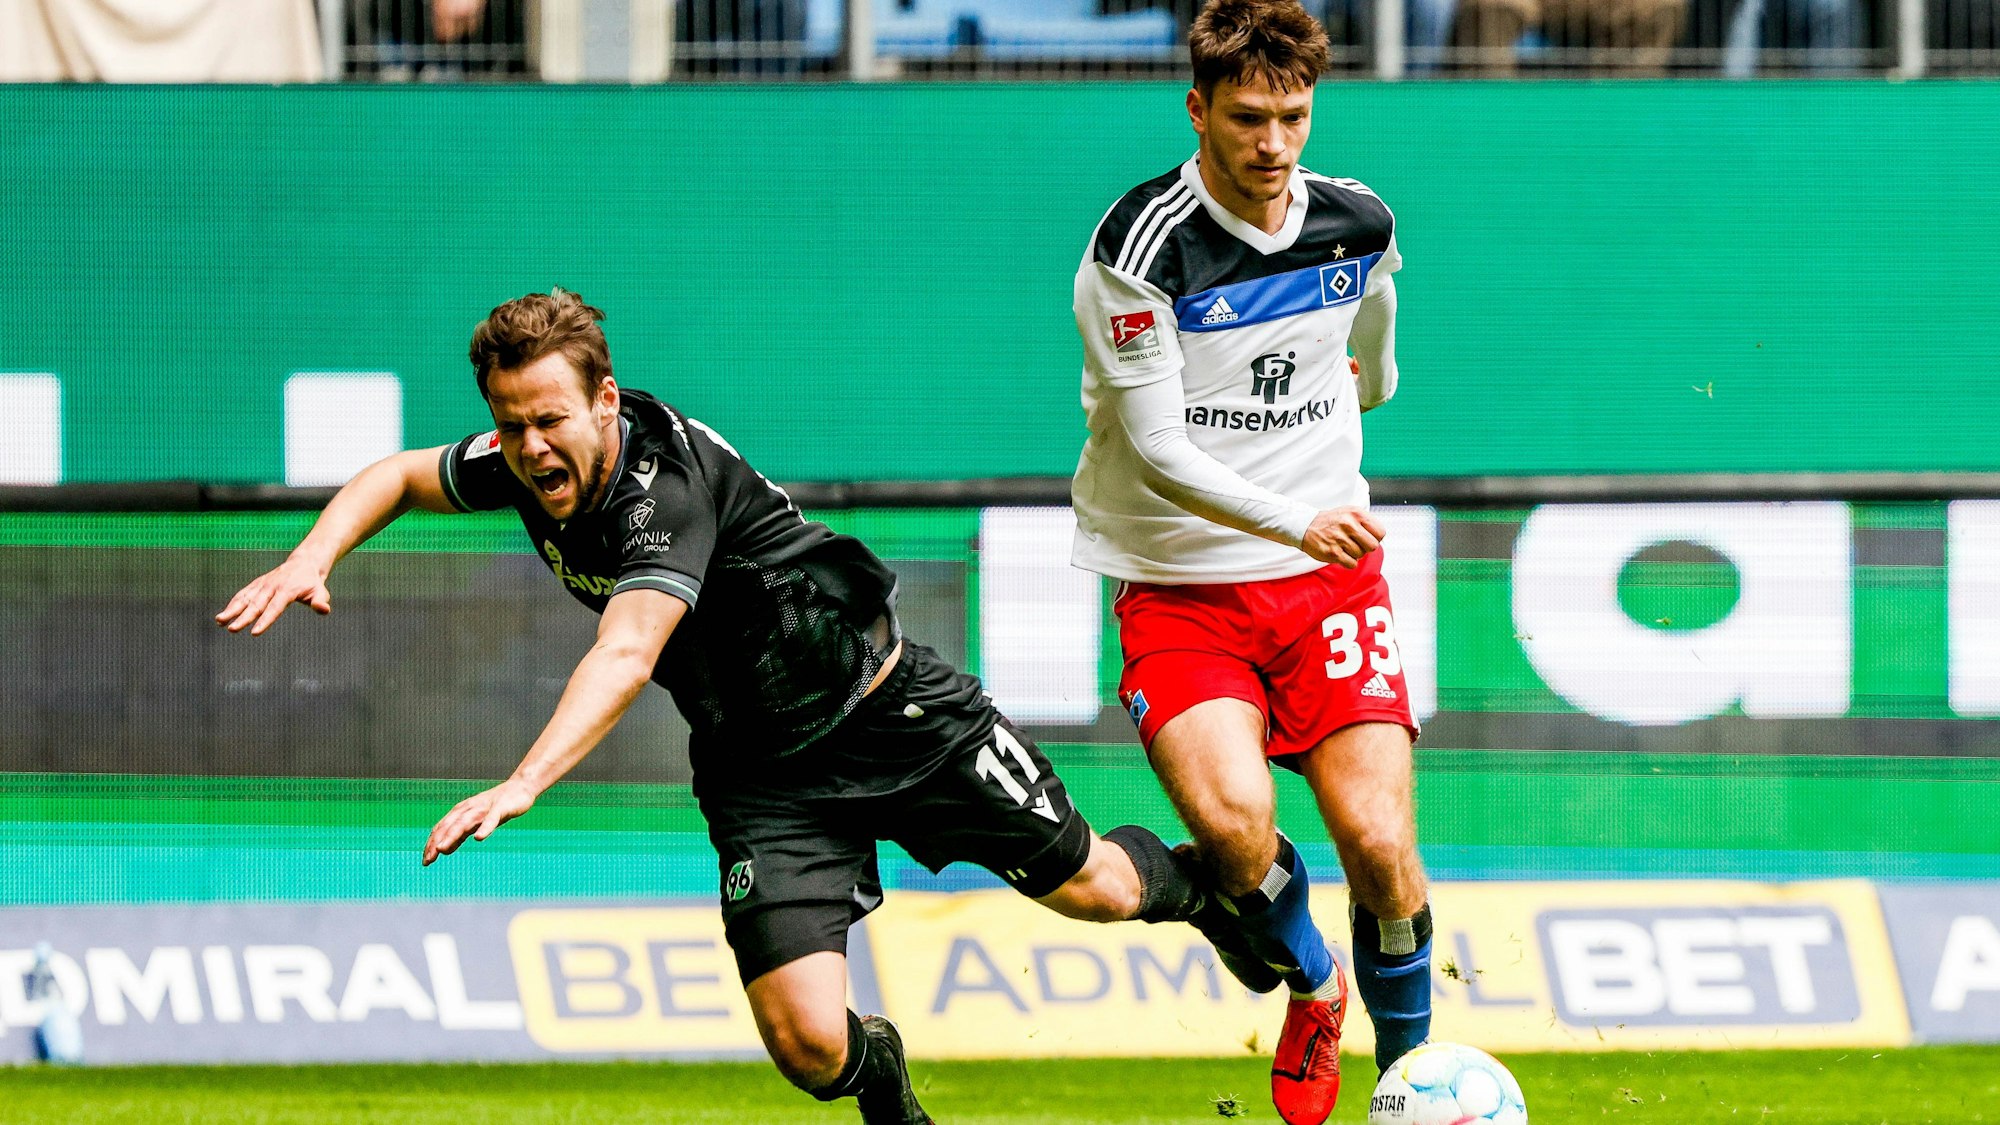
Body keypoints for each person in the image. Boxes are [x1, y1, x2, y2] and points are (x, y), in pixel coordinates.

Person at [218, 289, 1231, 1124]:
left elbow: (624, 650)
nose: (527, 449)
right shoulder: (527, 463)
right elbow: (398, 476)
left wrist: (525, 781)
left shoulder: (665, 490)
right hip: (762, 769)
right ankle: (888, 1089)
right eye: (510, 424)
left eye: (548, 421)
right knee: (806, 1046)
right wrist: (312, 554)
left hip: (886, 709)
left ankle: (1218, 898)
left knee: (1094, 890)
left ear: (604, 400)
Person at [1069, 1, 1432, 1122]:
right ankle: (1312, 986)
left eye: (1291, 116)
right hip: (1179, 582)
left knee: (1378, 845)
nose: (1272, 144)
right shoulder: (1138, 249)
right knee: (1231, 835)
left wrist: (1348, 414)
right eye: (1246, 119)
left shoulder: (1357, 222)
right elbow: (1160, 448)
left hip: (1324, 580)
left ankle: (1413, 1087)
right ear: (1198, 110)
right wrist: (1292, 517)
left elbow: (1371, 356)